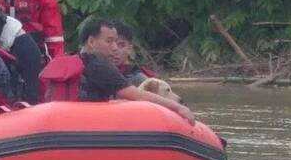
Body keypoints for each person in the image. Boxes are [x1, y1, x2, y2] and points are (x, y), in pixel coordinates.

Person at [39, 17, 194, 125]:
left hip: (60, 124)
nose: (114, 47)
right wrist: (178, 107)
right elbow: (137, 95)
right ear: (91, 42)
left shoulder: (74, 61)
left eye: (116, 42)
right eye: (109, 41)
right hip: (85, 127)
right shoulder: (100, 67)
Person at [112, 21, 156, 86]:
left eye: (121, 45)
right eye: (111, 43)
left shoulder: (138, 78)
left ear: (129, 49)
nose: (115, 49)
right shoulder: (100, 72)